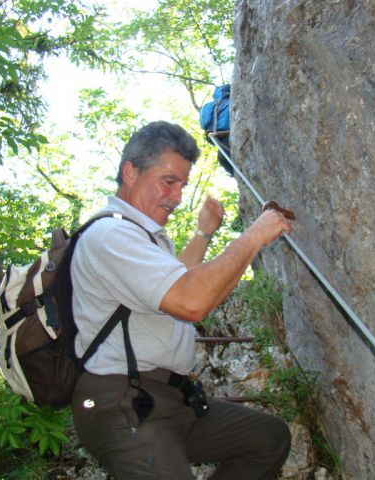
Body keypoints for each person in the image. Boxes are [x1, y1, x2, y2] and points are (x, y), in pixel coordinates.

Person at [71, 121, 293, 479]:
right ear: (130, 172)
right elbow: (190, 302)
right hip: (123, 403)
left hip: (170, 402)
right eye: (168, 181)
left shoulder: (144, 239)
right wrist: (253, 237)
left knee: (266, 439)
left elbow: (177, 282)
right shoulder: (111, 234)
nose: (176, 196)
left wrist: (204, 231)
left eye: (182, 185)